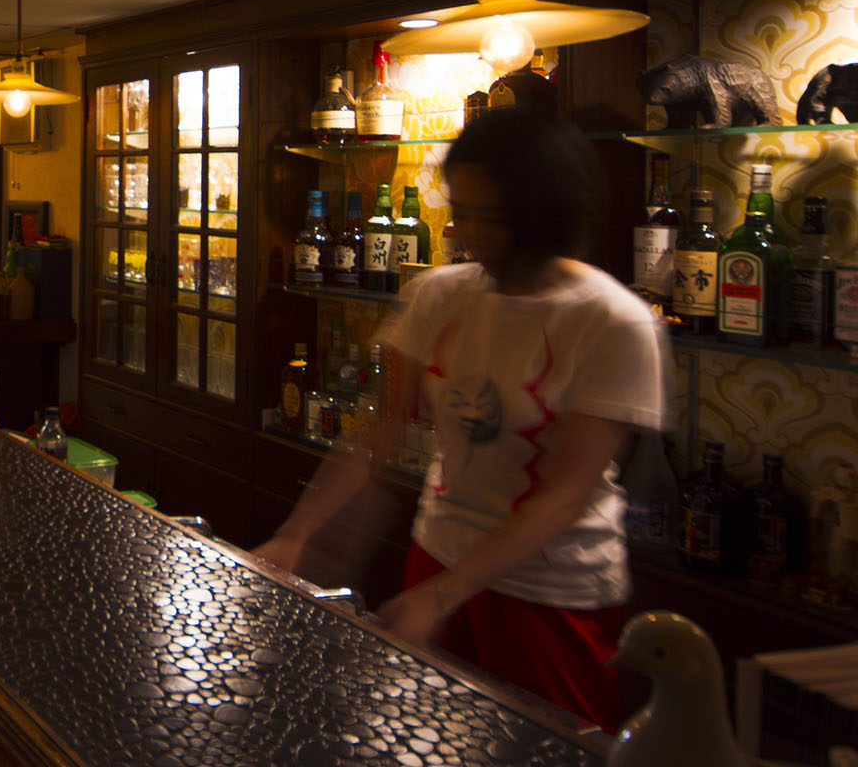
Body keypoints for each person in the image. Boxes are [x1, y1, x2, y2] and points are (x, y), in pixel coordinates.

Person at [254, 107, 668, 732]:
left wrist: (444, 594)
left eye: (492, 218)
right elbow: (377, 431)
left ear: (547, 211)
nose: (471, 234)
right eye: (462, 212)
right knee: (426, 737)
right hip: (438, 551)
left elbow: (565, 493)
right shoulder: (438, 294)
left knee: (549, 744)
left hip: (552, 588)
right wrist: (298, 534)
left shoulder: (613, 321)